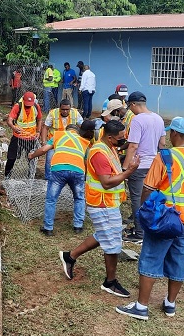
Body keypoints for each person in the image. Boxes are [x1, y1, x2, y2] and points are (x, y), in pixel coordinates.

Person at [116, 117, 184, 321]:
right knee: (177, 261)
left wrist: (143, 213)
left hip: (163, 219)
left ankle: (141, 307)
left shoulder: (164, 156)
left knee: (150, 258)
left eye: (170, 133)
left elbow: (147, 189)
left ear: (175, 133)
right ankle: (170, 304)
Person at [58, 120, 140, 297]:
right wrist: (130, 171)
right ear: (110, 138)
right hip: (101, 203)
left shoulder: (108, 147)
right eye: (120, 139)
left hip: (108, 203)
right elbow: (107, 182)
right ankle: (110, 282)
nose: (122, 141)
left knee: (104, 234)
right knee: (112, 244)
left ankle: (70, 256)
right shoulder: (99, 153)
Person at [28, 120, 94, 236]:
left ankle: (48, 228)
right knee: (79, 198)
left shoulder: (59, 135)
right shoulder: (83, 141)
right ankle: (78, 226)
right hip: (78, 170)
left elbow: (44, 150)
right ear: (77, 132)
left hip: (59, 169)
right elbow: (86, 161)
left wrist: (32, 155)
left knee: (51, 199)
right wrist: (85, 177)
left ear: (66, 129)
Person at [123, 91, 166, 242]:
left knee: (137, 199)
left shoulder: (137, 120)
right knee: (151, 198)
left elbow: (133, 146)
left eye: (130, 106)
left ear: (133, 104)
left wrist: (125, 168)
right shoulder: (158, 118)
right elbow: (162, 144)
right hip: (155, 164)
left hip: (139, 165)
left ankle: (139, 234)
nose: (130, 109)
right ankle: (150, 227)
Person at [40, 99, 83, 180]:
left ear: (70, 108)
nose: (65, 111)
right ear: (59, 108)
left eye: (67, 109)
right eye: (63, 109)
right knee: (49, 160)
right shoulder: (53, 113)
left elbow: (82, 126)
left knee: (70, 161)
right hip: (54, 142)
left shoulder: (75, 113)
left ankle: (66, 178)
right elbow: (45, 128)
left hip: (70, 142)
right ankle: (48, 178)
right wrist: (44, 141)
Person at [4, 91, 42, 179]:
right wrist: (13, 127)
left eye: (30, 104)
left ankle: (31, 175)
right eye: (27, 104)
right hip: (18, 137)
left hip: (31, 137)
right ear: (23, 101)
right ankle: (7, 175)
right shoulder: (18, 107)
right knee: (11, 157)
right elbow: (9, 120)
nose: (28, 106)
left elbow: (39, 120)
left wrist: (38, 132)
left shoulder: (36, 107)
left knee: (32, 158)